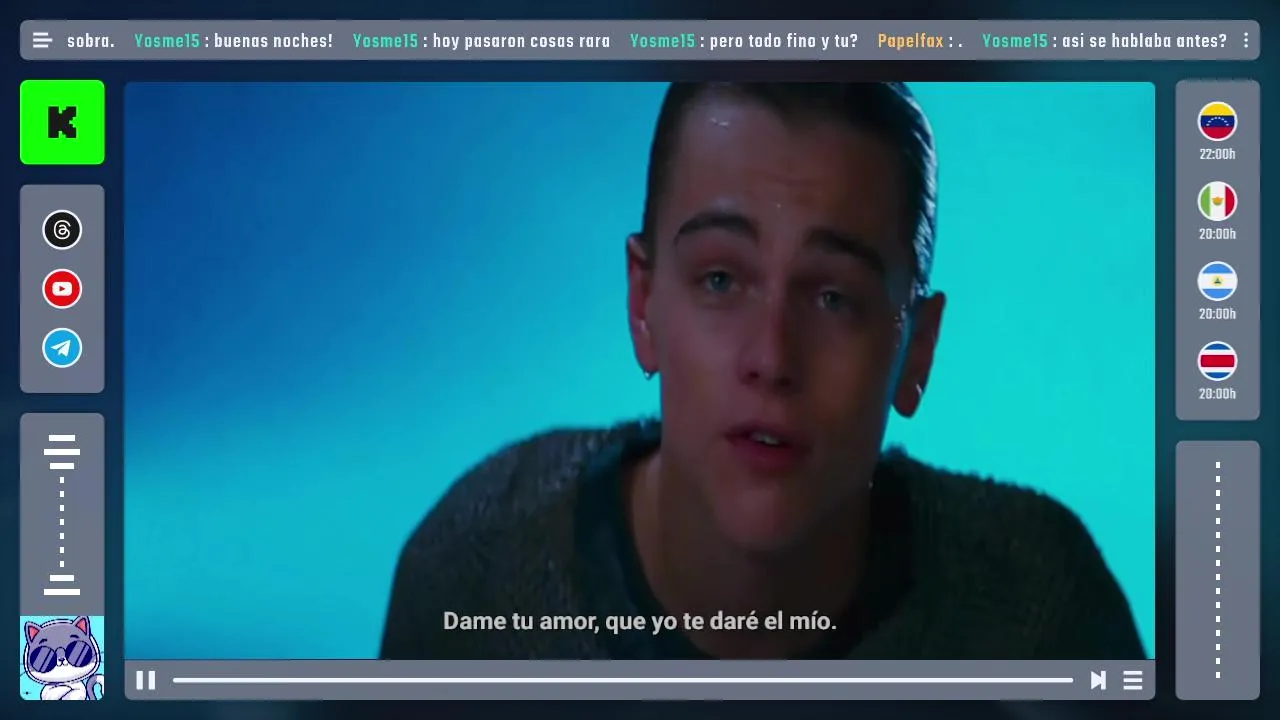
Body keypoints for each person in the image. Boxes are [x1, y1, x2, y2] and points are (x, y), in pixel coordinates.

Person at [380, 82, 1145, 660]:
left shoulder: (1040, 613)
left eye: (834, 297)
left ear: (917, 348)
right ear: (643, 305)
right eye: (721, 280)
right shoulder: (476, 573)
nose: (772, 358)